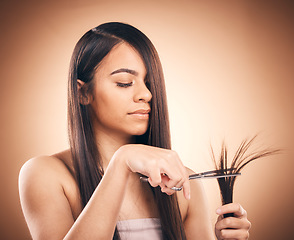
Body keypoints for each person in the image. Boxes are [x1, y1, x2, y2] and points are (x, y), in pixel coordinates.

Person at [18, 22, 251, 240]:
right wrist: (122, 160)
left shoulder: (183, 185)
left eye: (149, 83)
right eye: (125, 82)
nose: (146, 95)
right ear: (82, 93)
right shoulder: (46, 175)